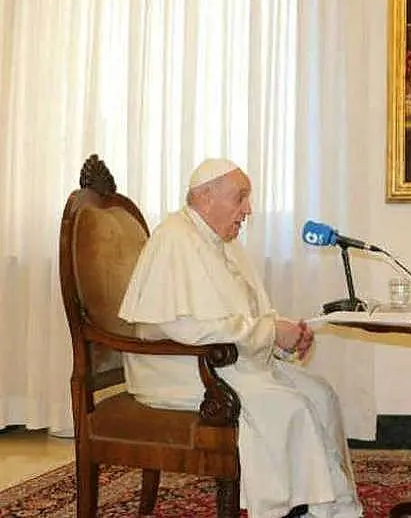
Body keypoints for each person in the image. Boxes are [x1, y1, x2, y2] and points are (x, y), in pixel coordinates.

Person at [118, 158, 362, 518]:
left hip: (223, 356)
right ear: (205, 198)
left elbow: (239, 313)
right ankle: (288, 509)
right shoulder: (175, 237)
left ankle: (331, 508)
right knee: (285, 405)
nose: (248, 209)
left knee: (319, 393)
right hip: (178, 364)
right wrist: (270, 332)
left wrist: (283, 333)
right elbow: (184, 327)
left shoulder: (223, 242)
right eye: (240, 198)